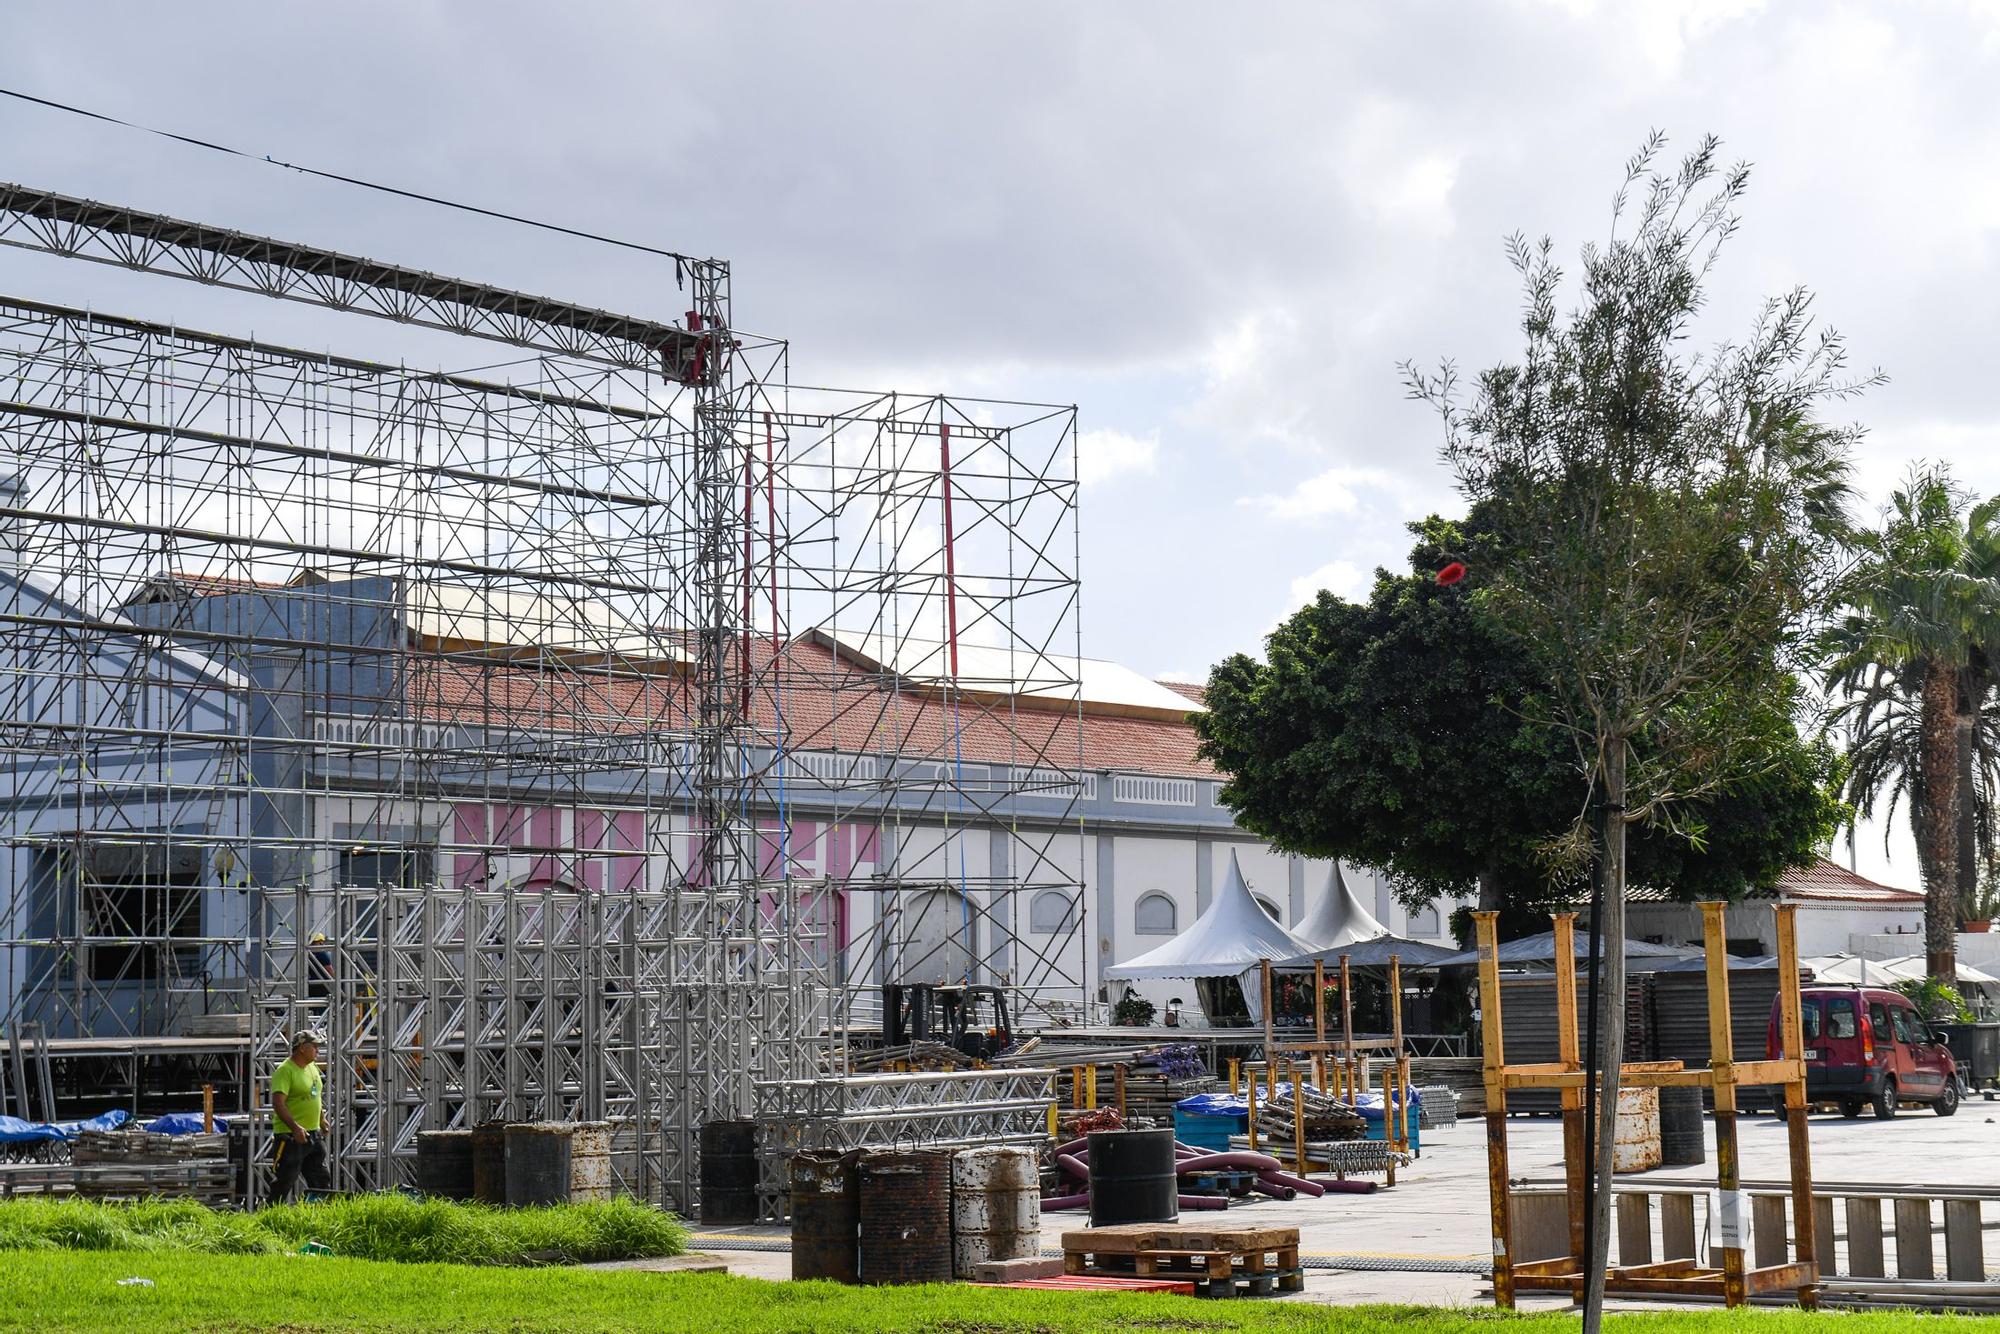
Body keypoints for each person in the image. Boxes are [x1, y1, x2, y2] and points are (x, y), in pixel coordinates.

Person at [271, 1029, 331, 1200]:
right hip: (290, 1137)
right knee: (285, 1180)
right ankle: (270, 1216)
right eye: (315, 1047)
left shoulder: (312, 1068)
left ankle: (321, 1215)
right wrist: (295, 1128)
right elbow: (278, 1103)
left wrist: (321, 1118)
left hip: (312, 1134)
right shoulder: (285, 1071)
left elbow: (315, 1094)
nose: (318, 1051)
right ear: (302, 1048)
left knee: (321, 1180)